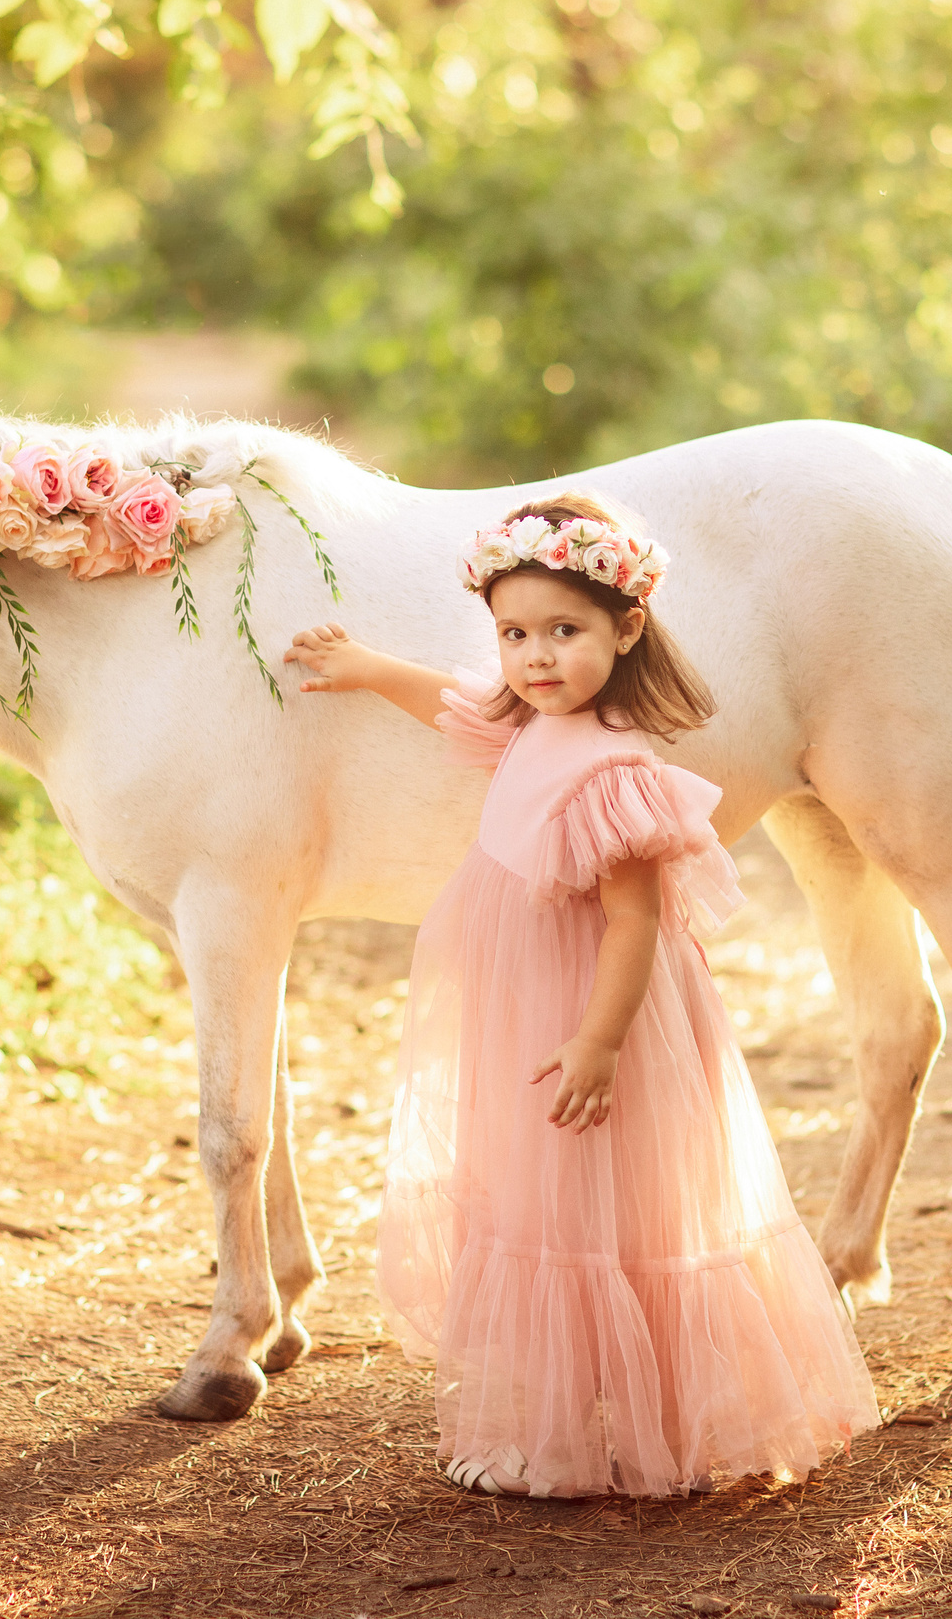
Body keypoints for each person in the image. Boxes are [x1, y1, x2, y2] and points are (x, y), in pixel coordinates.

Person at [283, 493, 879, 1499]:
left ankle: (616, 1431)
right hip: (529, 996)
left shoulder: (613, 767)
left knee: (609, 1201)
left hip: (596, 1007)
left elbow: (636, 921)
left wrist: (600, 1040)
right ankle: (560, 1407)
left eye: (564, 632)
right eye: (515, 634)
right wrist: (365, 665)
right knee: (540, 1190)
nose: (535, 658)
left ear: (627, 628)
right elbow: (453, 701)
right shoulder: (528, 725)